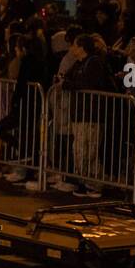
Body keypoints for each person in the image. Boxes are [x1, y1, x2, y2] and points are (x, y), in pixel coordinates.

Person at [56, 34, 116, 198]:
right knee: (79, 150)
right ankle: (86, 181)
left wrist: (66, 84)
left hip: (91, 115)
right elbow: (68, 77)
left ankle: (95, 184)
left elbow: (89, 84)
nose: (71, 48)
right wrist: (63, 80)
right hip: (79, 114)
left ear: (82, 47)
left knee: (89, 151)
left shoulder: (94, 62)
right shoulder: (78, 63)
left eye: (74, 45)